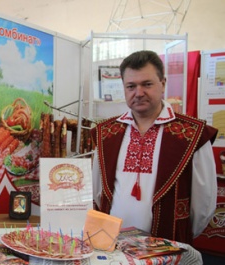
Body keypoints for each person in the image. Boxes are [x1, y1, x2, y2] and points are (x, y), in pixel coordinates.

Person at [91, 50, 218, 245]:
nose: (139, 93)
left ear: (163, 84)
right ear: (123, 88)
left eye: (147, 84)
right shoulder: (106, 133)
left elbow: (204, 203)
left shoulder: (192, 134)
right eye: (131, 86)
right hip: (112, 247)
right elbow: (98, 192)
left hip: (168, 247)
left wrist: (181, 234)